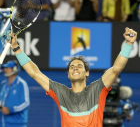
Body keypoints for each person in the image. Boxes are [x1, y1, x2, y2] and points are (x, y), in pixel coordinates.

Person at [8, 27, 137, 127]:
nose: (75, 67)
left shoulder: (98, 89)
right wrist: (16, 48)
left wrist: (128, 44)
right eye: (72, 67)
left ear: (87, 73)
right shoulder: (60, 92)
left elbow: (116, 69)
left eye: (79, 66)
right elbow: (35, 73)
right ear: (69, 74)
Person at [0, 60, 30, 127]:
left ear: (14, 69)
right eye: (5, 68)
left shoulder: (22, 84)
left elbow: (26, 103)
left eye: (7, 68)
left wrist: (10, 110)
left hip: (18, 124)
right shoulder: (4, 84)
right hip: (3, 123)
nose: (5, 69)